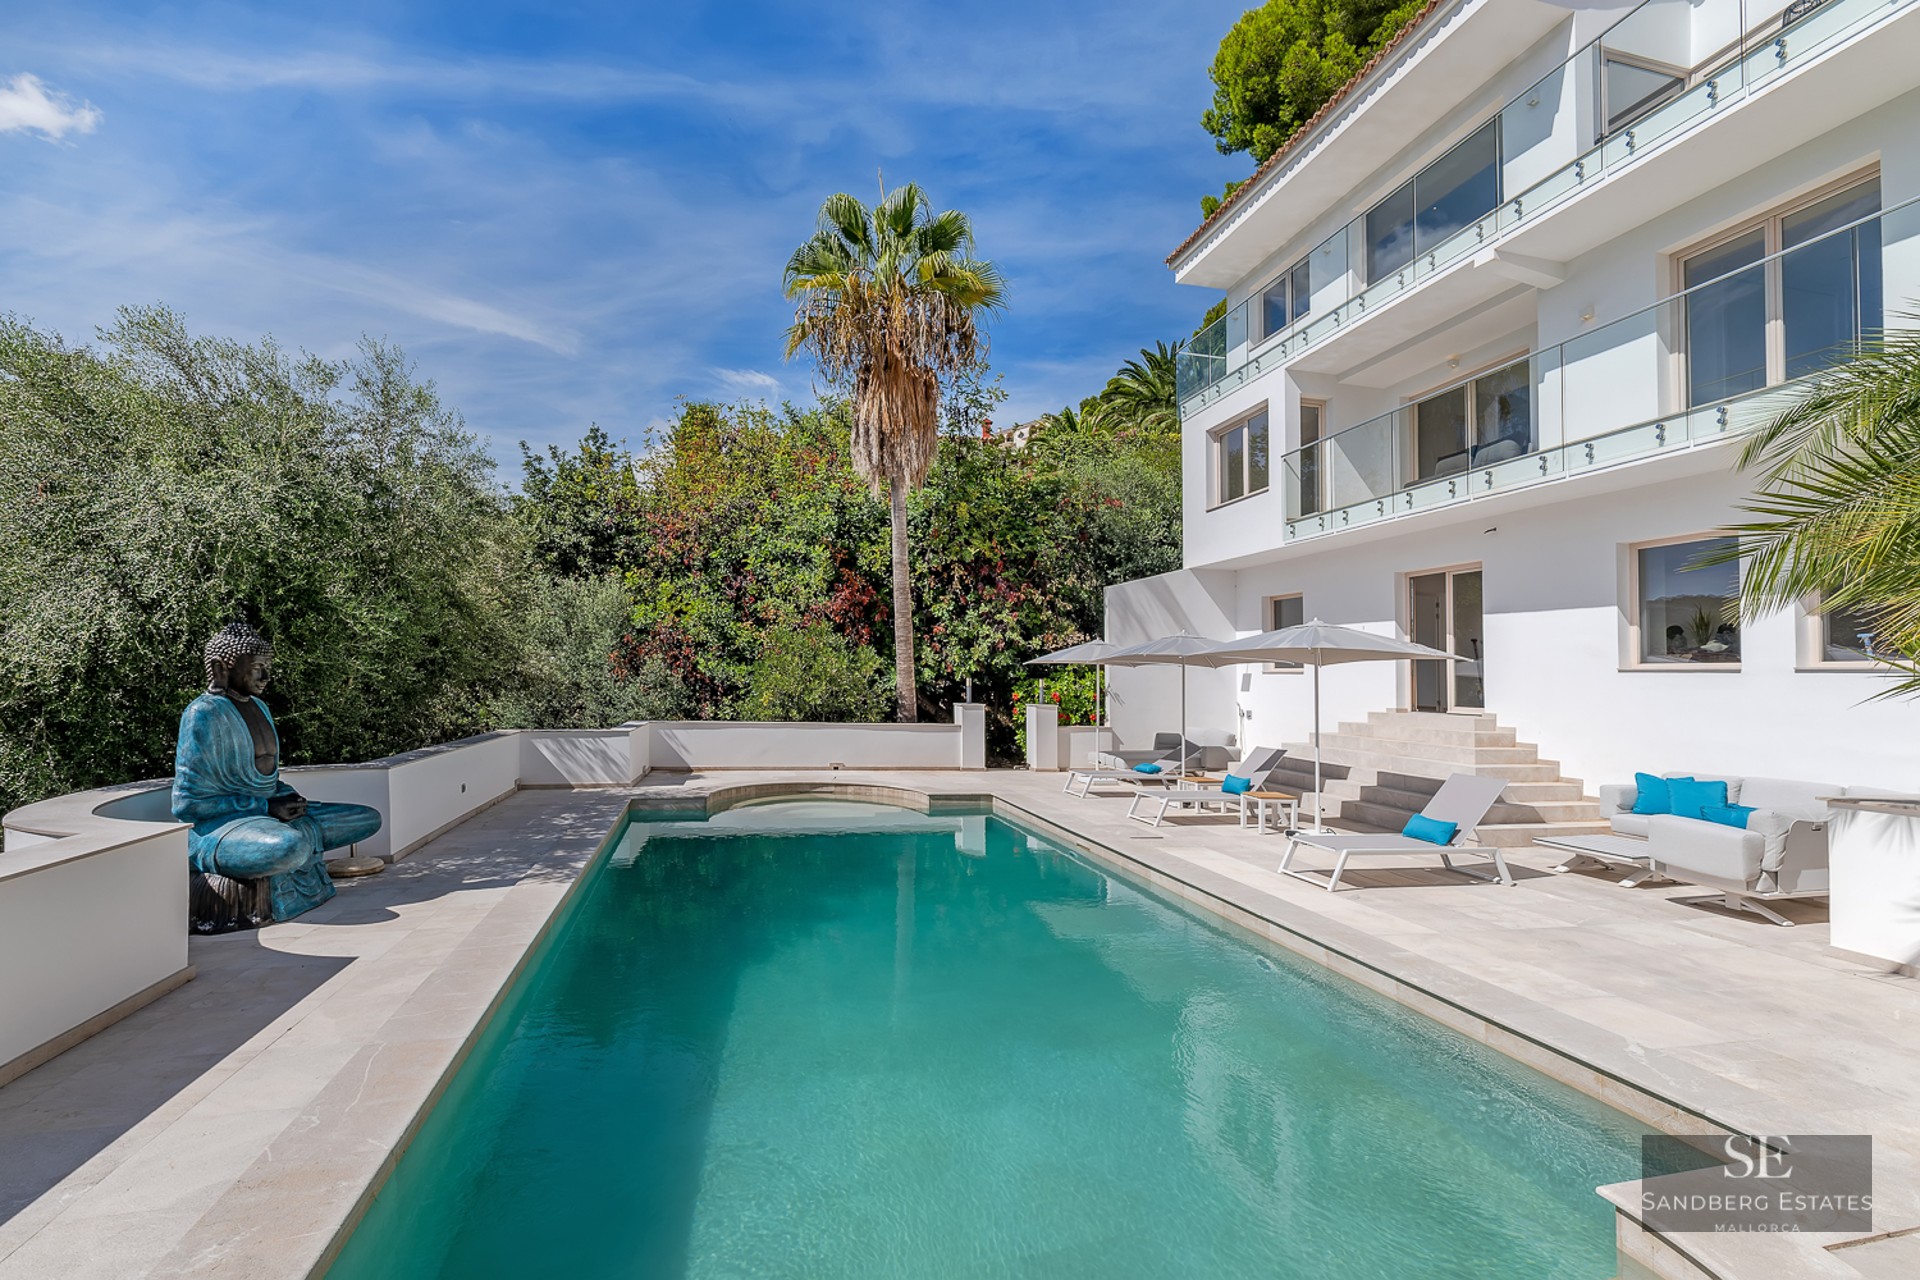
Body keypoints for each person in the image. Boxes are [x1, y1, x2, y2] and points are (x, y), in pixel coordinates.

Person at [171, 622, 382, 922]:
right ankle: (283, 854)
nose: (265, 677)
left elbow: (266, 779)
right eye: (256, 667)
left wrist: (285, 796)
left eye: (267, 667)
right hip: (222, 828)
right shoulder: (202, 714)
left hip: (268, 817)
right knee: (288, 846)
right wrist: (264, 807)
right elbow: (187, 805)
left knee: (366, 818)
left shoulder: (260, 707)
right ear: (221, 669)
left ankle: (289, 841)